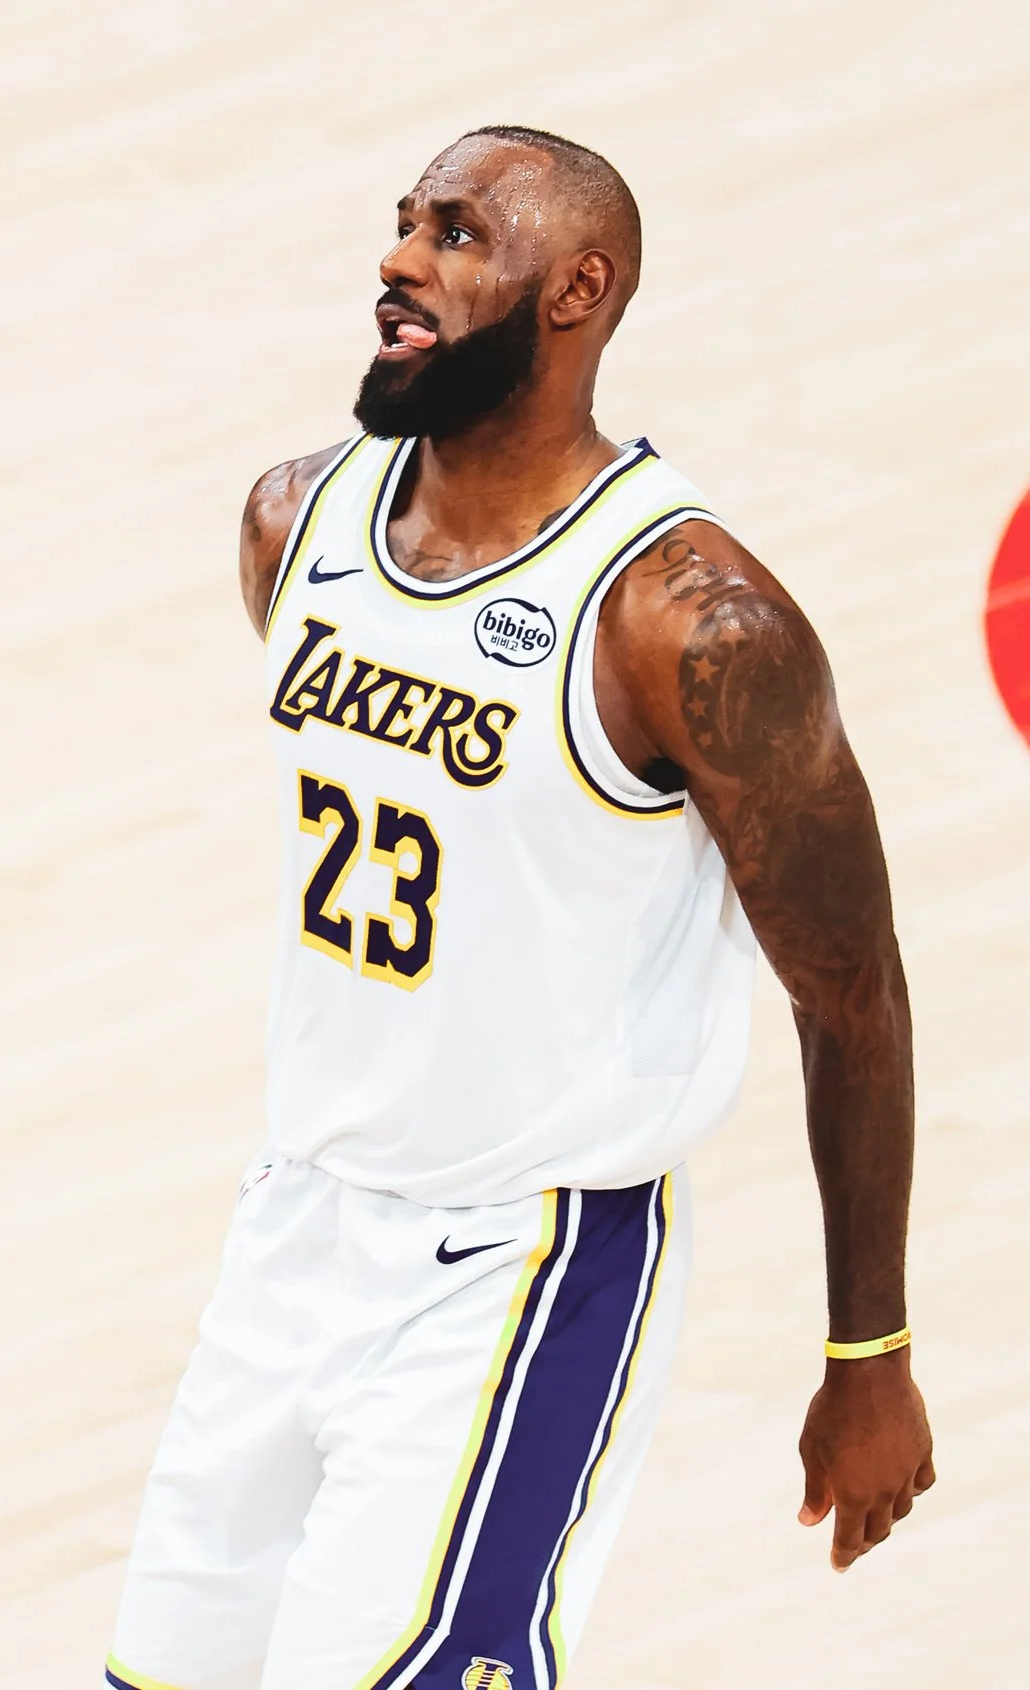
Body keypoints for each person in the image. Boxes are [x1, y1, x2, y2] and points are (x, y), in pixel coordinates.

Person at [104, 126, 935, 1690]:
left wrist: (867, 1347)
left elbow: (851, 988)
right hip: (294, 1223)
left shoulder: (692, 623)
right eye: (404, 224)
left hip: (521, 1262)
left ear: (579, 291)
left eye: (459, 235)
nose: (400, 261)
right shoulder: (296, 522)